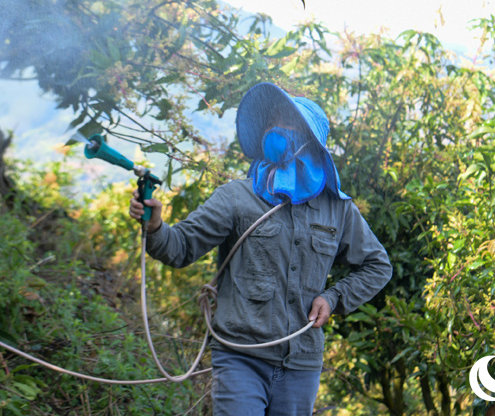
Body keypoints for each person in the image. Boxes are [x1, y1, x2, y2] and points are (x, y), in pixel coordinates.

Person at [129, 82, 392, 416]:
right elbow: (180, 248)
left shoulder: (337, 210)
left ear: (310, 142)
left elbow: (378, 265)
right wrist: (154, 227)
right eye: (274, 122)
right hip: (240, 357)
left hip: (302, 364)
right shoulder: (237, 197)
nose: (278, 130)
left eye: (290, 124)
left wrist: (334, 297)